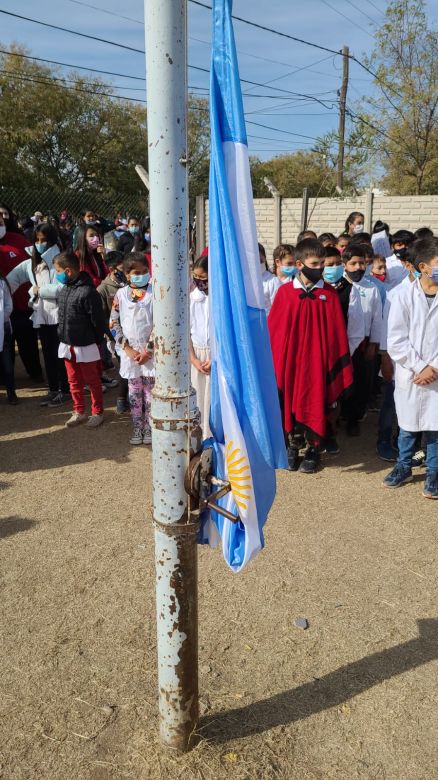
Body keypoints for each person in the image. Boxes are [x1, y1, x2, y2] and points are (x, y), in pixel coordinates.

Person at [268, 238, 353, 473]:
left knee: (317, 399)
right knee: (290, 400)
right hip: (291, 364)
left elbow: (337, 336)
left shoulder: (330, 295)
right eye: (315, 263)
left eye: (323, 264)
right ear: (299, 264)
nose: (320, 268)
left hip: (318, 364)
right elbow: (275, 333)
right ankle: (293, 445)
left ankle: (314, 448)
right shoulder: (285, 294)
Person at [384, 237, 438, 499]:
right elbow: (396, 340)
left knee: (436, 428)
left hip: (436, 375)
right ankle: (403, 466)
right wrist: (420, 367)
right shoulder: (402, 296)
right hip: (411, 374)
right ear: (423, 266)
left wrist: (434, 367)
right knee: (407, 426)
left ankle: (434, 473)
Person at [7, 222, 70, 406]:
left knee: (61, 354)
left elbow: (62, 288)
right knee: (48, 354)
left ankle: (64, 389)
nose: (40, 243)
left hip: (60, 315)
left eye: (44, 240)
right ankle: (53, 389)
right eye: (37, 240)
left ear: (52, 240)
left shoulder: (61, 260)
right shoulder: (30, 262)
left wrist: (37, 291)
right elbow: (12, 280)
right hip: (41, 315)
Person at [55, 251, 107, 428]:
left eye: (58, 271)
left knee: (92, 381)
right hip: (67, 343)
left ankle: (97, 412)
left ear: (68, 271)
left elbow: (97, 320)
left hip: (86, 344)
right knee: (73, 381)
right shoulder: (65, 289)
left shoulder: (88, 292)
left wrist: (96, 339)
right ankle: (79, 411)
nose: (58, 274)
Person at [109, 253, 154, 445]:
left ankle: (151, 426)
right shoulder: (120, 295)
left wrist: (149, 350)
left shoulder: (155, 292)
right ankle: (137, 426)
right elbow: (113, 322)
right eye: (137, 272)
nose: (142, 275)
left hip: (151, 354)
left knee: (151, 394)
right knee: (134, 393)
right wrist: (126, 348)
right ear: (127, 274)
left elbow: (162, 322)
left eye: (145, 272)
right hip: (130, 353)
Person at [340, 244, 382, 436]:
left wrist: (374, 343)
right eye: (353, 263)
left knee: (361, 381)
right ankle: (339, 414)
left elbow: (377, 317)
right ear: (345, 264)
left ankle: (353, 418)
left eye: (362, 263)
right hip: (341, 343)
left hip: (363, 344)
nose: (358, 267)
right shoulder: (339, 287)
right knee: (342, 380)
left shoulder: (371, 287)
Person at [0, 213, 43, 380]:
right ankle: (5, 378)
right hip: (2, 309)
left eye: (1, 221)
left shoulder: (18, 240)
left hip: (22, 305)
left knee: (28, 342)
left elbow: (35, 263)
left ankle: (35, 372)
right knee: (5, 346)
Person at [97, 251, 129, 414]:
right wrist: (112, 336)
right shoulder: (103, 289)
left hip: (133, 332)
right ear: (112, 269)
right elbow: (101, 317)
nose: (126, 271)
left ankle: (130, 396)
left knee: (132, 366)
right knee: (125, 366)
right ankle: (122, 399)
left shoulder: (129, 283)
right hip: (115, 336)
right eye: (122, 268)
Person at [189, 255, 211, 440]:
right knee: (198, 399)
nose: (199, 281)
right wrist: (194, 359)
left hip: (216, 355)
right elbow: (186, 333)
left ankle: (212, 436)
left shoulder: (221, 299)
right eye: (195, 277)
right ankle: (199, 436)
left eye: (203, 278)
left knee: (212, 400)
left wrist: (216, 358)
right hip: (196, 354)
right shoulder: (191, 298)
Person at [0, 272, 16, 403]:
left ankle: (11, 393)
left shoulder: (2, 283)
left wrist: (1, 320)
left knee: (6, 362)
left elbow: (8, 306)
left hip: (2, 327)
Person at [75, 224, 108, 288]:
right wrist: (106, 285)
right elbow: (89, 279)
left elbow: (108, 274)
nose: (95, 238)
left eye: (96, 235)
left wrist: (104, 258)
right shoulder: (79, 255)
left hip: (101, 287)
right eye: (91, 236)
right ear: (83, 238)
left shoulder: (97, 252)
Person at [259, 243, 280, 313]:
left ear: (264, 258)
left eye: (259, 259)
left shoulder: (273, 281)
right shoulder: (242, 281)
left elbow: (277, 309)